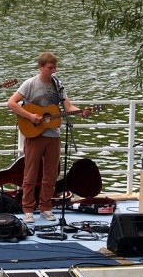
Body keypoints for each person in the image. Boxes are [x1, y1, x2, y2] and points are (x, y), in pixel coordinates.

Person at [7, 52, 91, 223]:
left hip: (53, 134)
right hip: (34, 134)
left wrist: (81, 112)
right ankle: (28, 208)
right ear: (41, 67)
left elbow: (68, 106)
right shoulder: (30, 83)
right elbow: (11, 103)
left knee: (51, 174)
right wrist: (30, 116)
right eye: (50, 68)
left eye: (55, 67)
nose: (53, 71)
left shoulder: (58, 85)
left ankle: (45, 206)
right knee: (30, 173)